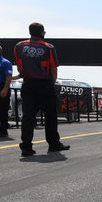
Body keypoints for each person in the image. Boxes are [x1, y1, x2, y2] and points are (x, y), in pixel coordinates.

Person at [14, 22, 69, 156]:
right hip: (44, 84)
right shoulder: (48, 47)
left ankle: (26, 146)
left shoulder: (19, 46)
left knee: (28, 115)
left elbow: (19, 67)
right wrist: (52, 83)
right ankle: (53, 144)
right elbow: (53, 69)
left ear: (30, 32)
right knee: (50, 115)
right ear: (42, 33)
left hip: (28, 83)